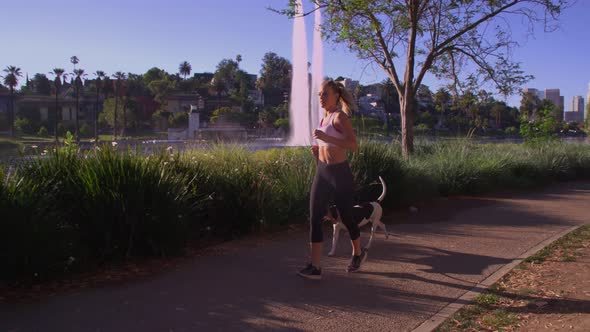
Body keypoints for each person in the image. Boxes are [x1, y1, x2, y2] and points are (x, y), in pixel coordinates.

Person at [297, 79, 366, 280]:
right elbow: (328, 147)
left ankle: (358, 253)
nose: (321, 97)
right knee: (315, 216)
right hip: (323, 171)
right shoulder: (324, 118)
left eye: (325, 94)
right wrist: (318, 151)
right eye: (319, 94)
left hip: (340, 173)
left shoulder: (339, 117)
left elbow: (353, 146)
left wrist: (326, 139)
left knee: (346, 216)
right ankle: (315, 266)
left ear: (336, 95)